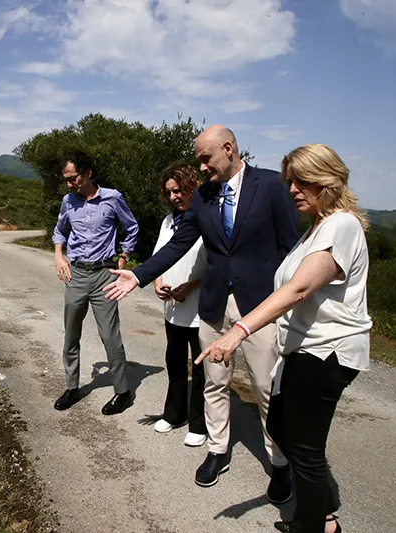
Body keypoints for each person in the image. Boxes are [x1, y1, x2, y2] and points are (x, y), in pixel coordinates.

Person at [103, 125, 300, 502]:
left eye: (205, 158)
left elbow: (290, 247)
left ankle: (279, 464)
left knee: (264, 387)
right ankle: (217, 450)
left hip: (258, 305)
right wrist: (140, 274)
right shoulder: (203, 198)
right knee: (213, 381)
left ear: (228, 149)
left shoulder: (272, 186)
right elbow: (180, 242)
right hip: (212, 305)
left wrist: (292, 301)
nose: (202, 166)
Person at [198, 144, 371, 533]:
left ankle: (314, 525)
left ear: (327, 180)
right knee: (281, 426)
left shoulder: (340, 225)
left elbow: (298, 289)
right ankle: (322, 514)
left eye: (302, 181)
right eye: (289, 180)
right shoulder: (316, 228)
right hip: (302, 348)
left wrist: (238, 332)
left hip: (326, 352)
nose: (292, 189)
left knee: (306, 451)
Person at [52, 150, 139, 415]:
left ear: (88, 173)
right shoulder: (68, 201)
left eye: (73, 178)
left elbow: (131, 227)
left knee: (110, 336)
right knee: (71, 335)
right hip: (76, 275)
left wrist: (124, 255)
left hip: (104, 275)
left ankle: (123, 393)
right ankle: (72, 387)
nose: (69, 184)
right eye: (66, 179)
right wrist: (59, 255)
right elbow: (60, 231)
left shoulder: (113, 198)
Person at [151, 163, 208, 447]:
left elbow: (218, 264)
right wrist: (157, 282)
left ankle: (199, 424)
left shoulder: (207, 220)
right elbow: (159, 256)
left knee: (200, 369)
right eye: (170, 192)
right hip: (173, 309)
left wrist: (191, 285)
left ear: (192, 187)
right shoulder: (167, 222)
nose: (175, 196)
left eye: (179, 190)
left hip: (200, 309)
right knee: (174, 362)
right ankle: (174, 414)